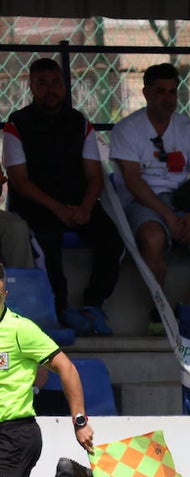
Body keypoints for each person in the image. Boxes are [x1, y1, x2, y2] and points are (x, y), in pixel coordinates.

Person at [110, 63, 190, 331]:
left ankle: (189, 308)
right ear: (146, 93)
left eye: (172, 91)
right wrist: (168, 216)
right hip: (145, 203)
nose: (168, 98)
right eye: (160, 91)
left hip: (185, 203)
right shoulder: (127, 128)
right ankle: (160, 312)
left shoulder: (189, 128)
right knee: (153, 238)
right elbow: (133, 182)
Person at [0, 261, 97, 477]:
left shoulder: (20, 329)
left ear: (3, 290)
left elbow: (65, 367)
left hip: (14, 434)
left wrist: (80, 420)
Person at [3, 57, 124, 334]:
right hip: (37, 205)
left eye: (56, 83)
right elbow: (19, 181)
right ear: (31, 86)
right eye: (42, 84)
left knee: (113, 240)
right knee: (45, 245)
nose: (51, 90)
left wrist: (85, 207)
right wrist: (57, 208)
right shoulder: (16, 124)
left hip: (79, 204)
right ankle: (59, 310)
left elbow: (95, 176)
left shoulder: (79, 122)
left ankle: (94, 304)